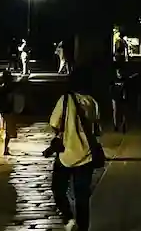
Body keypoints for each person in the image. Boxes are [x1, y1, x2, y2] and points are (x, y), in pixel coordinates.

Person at [48, 69, 104, 231]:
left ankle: (69, 219)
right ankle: (83, 228)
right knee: (82, 197)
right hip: (86, 156)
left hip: (66, 154)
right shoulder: (92, 102)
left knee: (58, 190)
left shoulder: (65, 100)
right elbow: (96, 125)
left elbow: (54, 123)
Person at [0, 69, 21, 156]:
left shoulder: (0, 88)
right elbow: (14, 100)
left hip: (1, 111)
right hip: (8, 111)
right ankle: (5, 149)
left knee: (5, 129)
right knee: (8, 131)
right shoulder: (11, 89)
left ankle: (5, 148)